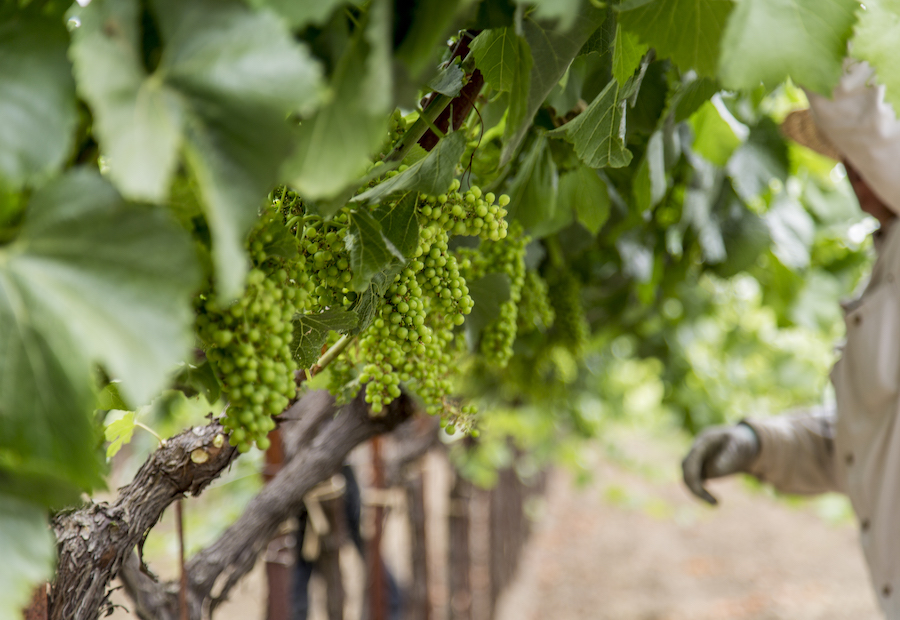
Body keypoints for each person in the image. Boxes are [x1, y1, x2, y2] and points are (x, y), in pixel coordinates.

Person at [681, 60, 900, 617]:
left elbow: (853, 106)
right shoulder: (883, 273)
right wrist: (762, 443)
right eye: (847, 163)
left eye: (864, 156)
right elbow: (859, 445)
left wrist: (808, 27)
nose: (855, 176)